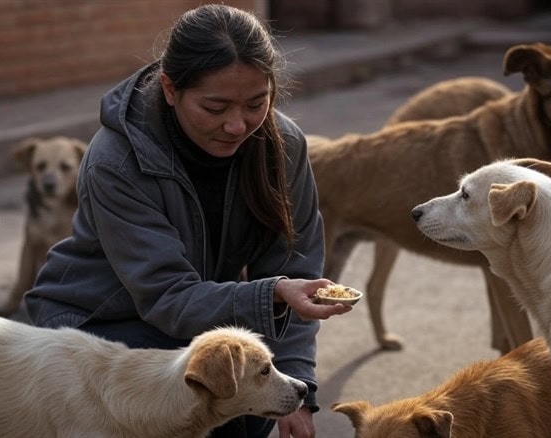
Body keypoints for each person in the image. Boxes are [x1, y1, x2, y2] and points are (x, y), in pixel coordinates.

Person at [25, 4, 352, 437]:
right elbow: (167, 297)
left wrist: (294, 385)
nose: (237, 125)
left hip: (199, 324)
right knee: (212, 400)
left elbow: (298, 272)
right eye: (215, 107)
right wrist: (271, 293)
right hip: (101, 330)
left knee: (251, 404)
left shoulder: (284, 143)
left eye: (257, 103)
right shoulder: (116, 159)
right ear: (170, 88)